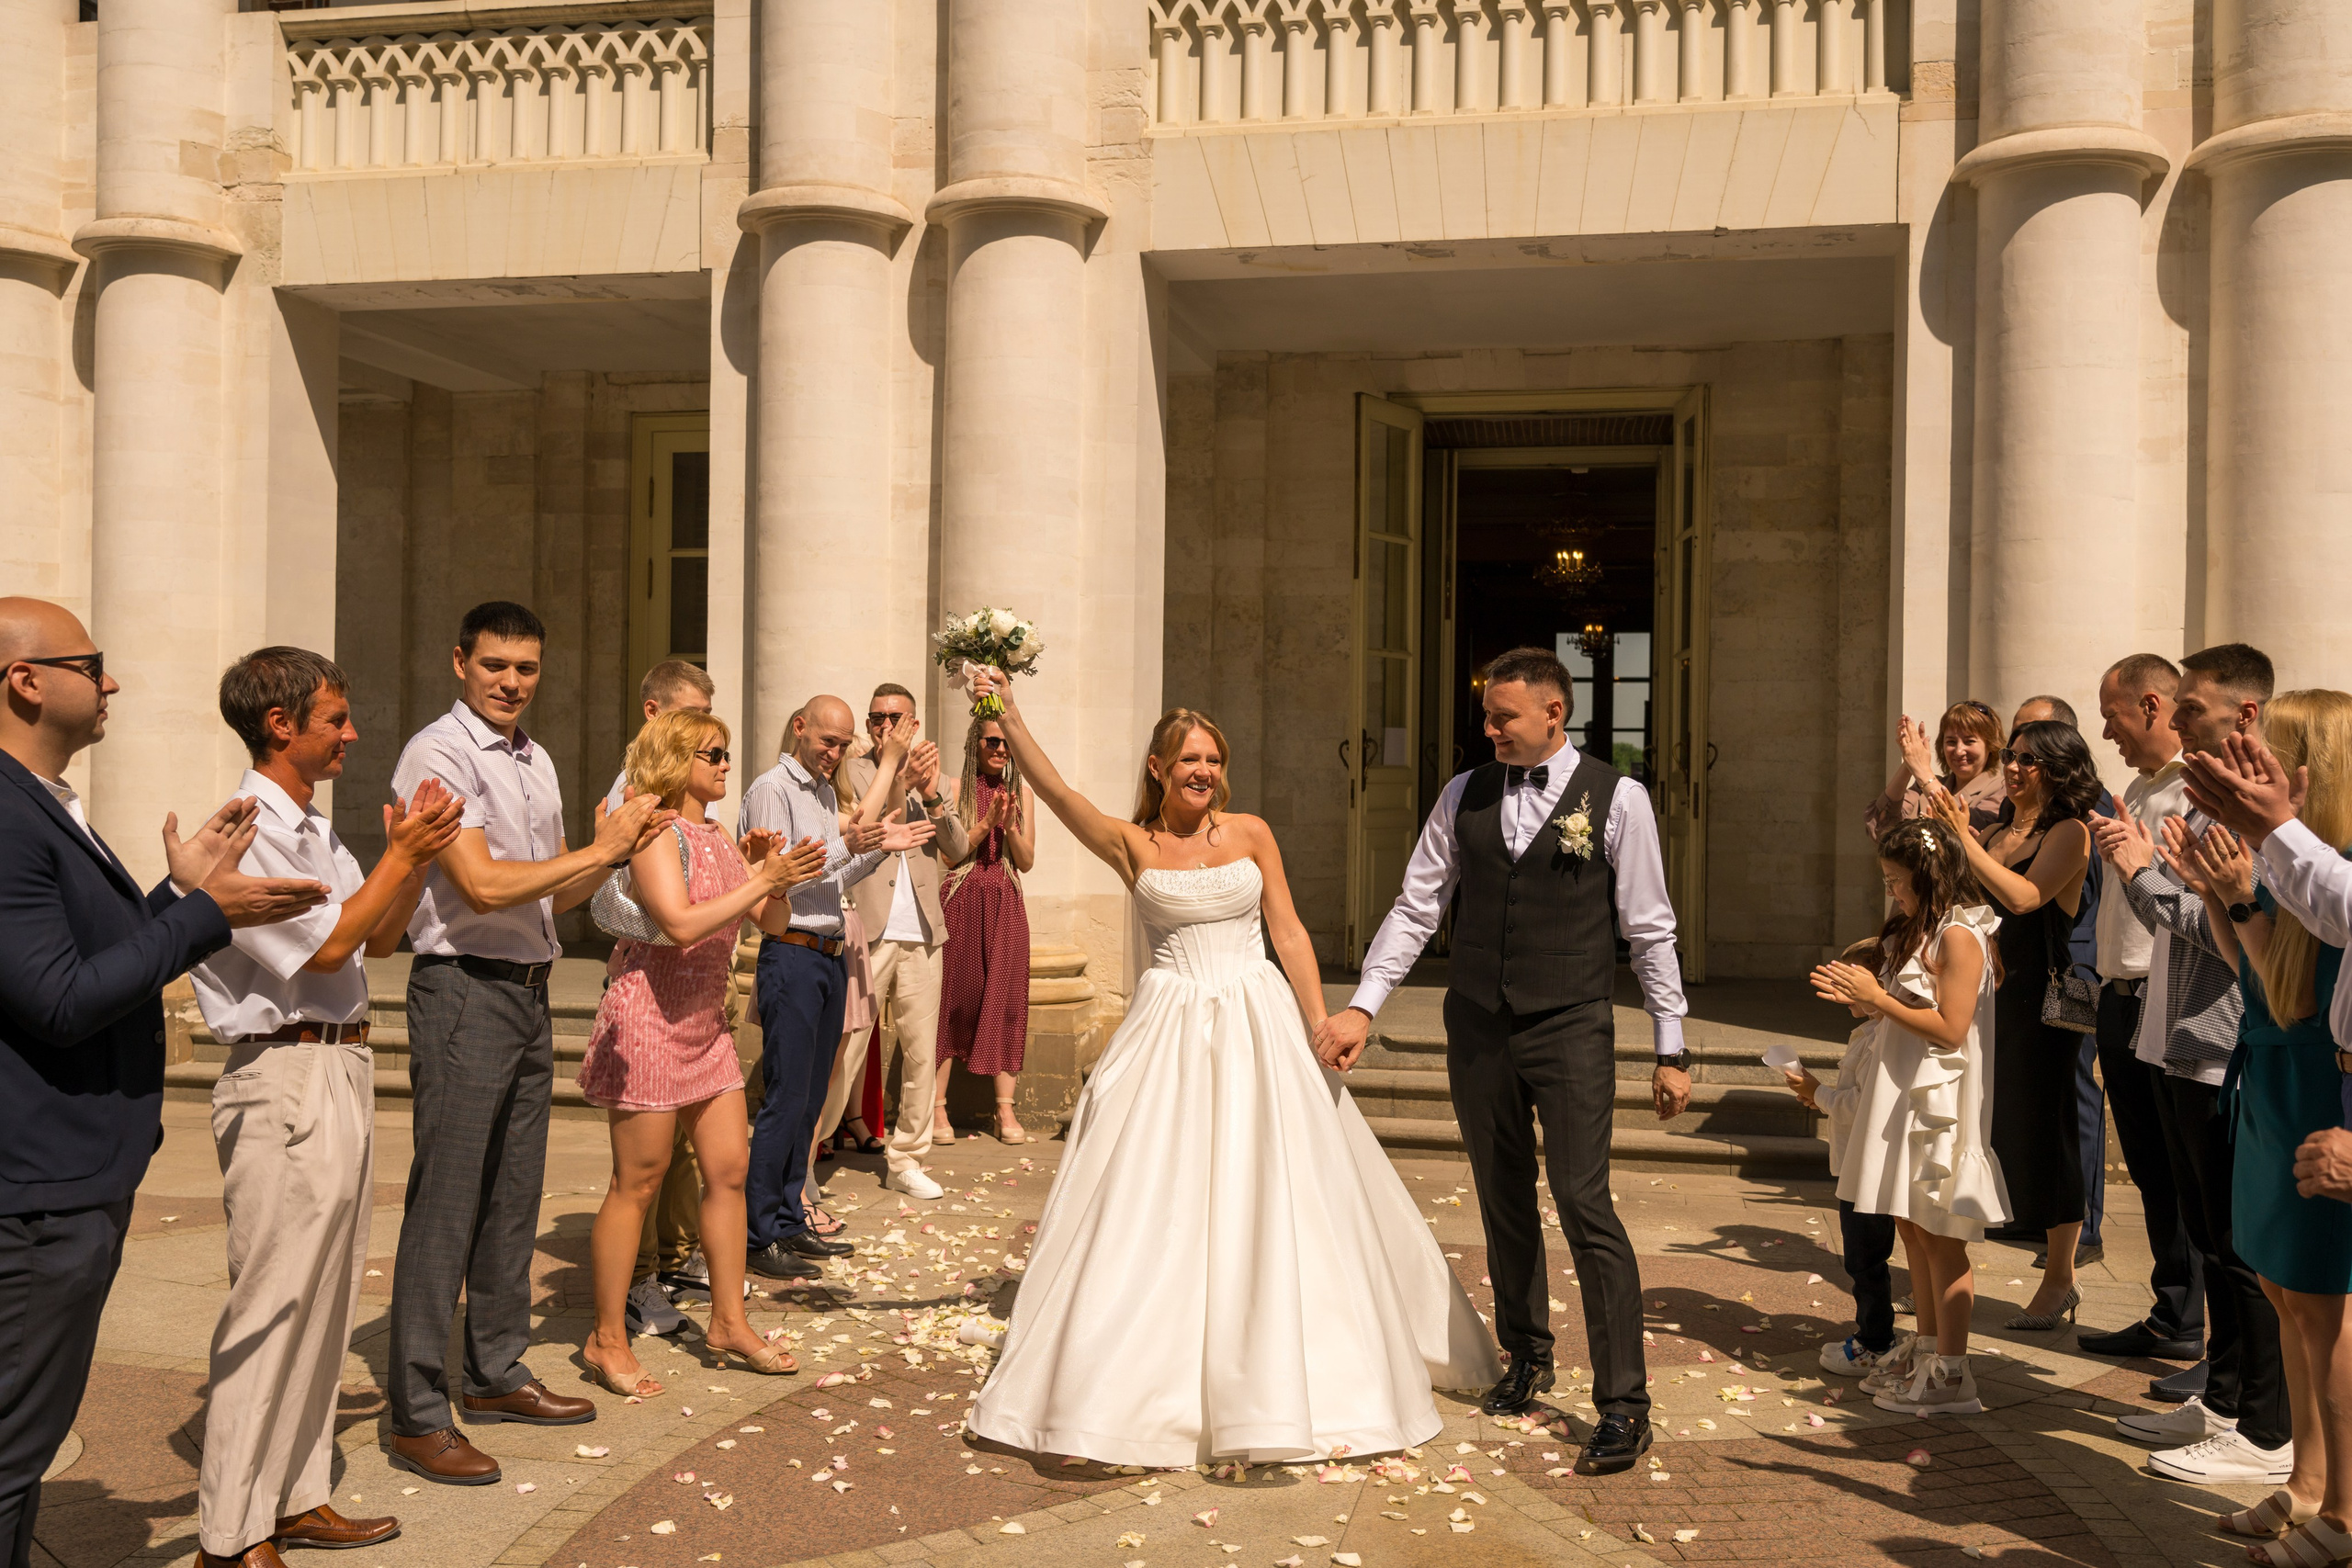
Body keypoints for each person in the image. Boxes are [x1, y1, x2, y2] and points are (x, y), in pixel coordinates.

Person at [958, 664, 1499, 1463]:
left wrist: (1323, 1022)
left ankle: (1298, 1362)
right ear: (1158, 767)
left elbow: (1287, 934)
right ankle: (1145, 1370)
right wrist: (1001, 705)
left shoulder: (1250, 833)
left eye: (1213, 758)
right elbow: (1057, 786)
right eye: (1189, 761)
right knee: (1158, 1196)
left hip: (1258, 1021)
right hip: (1170, 1029)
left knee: (1278, 1189)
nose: (1204, 771)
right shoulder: (1130, 842)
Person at [0, 598, 330, 1568]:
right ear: (26, 681)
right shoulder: (6, 813)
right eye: (91, 664)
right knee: (15, 1444)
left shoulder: (43, 802)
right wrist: (204, 916)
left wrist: (180, 894)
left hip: (72, 1176)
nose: (111, 683)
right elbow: (59, 1000)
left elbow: (70, 959)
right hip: (41, 1186)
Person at [1316, 645, 1690, 1475]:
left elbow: (1650, 927)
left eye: (1502, 716)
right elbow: (1417, 906)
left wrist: (1672, 1042)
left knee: (1584, 1200)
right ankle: (1527, 1353)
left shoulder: (1618, 797)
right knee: (1501, 1192)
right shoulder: (1464, 792)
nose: (1487, 729)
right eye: (1486, 714)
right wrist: (1363, 1004)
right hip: (1478, 1021)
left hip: (1572, 1023)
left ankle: (1625, 1404)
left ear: (1554, 713)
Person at [384, 602, 671, 1486]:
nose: (511, 682)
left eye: (527, 668)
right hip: (461, 987)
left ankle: (495, 1367)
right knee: (448, 1201)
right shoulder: (438, 752)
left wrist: (619, 856)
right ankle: (419, 1407)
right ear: (459, 661)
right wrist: (600, 846)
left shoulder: (537, 759)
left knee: (513, 1192)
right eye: (496, 665)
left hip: (529, 990)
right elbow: (479, 882)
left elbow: (553, 897)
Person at [189, 649, 466, 1568]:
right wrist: (397, 856)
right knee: (272, 1303)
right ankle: (229, 1536)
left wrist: (415, 862)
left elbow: (374, 940)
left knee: (328, 1296)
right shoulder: (247, 825)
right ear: (281, 725)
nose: (350, 735)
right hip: (281, 1071)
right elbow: (320, 950)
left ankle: (297, 1495)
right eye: (335, 719)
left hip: (340, 1062)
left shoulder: (313, 827)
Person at [575, 710, 827, 1398]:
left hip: (705, 1023)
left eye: (725, 752)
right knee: (640, 1181)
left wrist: (772, 878)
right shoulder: (655, 831)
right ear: (675, 756)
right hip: (650, 1019)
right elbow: (679, 924)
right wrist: (759, 876)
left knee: (728, 1168)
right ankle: (606, 1336)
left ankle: (728, 1319)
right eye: (711, 753)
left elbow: (772, 923)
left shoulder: (719, 834)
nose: (724, 763)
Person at [2092, 642, 2292, 1486]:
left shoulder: (2251, 813)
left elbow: (2226, 931)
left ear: (2245, 714)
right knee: (2212, 1240)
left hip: (2220, 1045)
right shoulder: (2207, 802)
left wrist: (2141, 870)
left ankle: (2263, 1429)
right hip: (2179, 1040)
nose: (2176, 721)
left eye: (2194, 709)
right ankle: (2220, 1401)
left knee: (2238, 1248)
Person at [2176, 692, 2352, 1565]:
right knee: (2285, 1291)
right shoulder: (2295, 865)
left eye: (2271, 752)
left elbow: (2294, 997)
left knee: (2322, 1304)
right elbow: (2254, 959)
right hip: (2272, 1076)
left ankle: (2339, 1506)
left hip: (2315, 1082)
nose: (2254, 767)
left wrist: (2242, 884)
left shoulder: (2335, 867)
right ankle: (2309, 1482)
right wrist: (2223, 889)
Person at [1801, 818, 2007, 1416]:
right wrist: (1866, 1001)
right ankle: (1927, 1346)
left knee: (1944, 1239)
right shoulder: (1922, 931)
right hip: (1906, 1090)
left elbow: (1952, 1027)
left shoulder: (1961, 936)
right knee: (1913, 1231)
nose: (1893, 891)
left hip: (1940, 1102)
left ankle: (1954, 1369)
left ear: (1930, 875)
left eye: (1898, 880)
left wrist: (1880, 999)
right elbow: (1901, 1010)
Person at [736, 697, 924, 1281]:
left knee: (812, 1098)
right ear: (800, 728)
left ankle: (791, 1217)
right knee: (786, 1097)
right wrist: (858, 841)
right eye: (827, 741)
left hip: (827, 953)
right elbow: (792, 870)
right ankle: (758, 1229)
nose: (834, 753)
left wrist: (871, 853)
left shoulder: (822, 794)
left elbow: (833, 876)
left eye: (843, 745)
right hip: (790, 952)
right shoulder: (773, 789)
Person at [1930, 718, 2098, 1327]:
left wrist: (1965, 839)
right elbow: (1966, 895)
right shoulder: (1997, 828)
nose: (2014, 767)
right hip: (1983, 995)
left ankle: (2059, 1278)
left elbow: (2026, 897)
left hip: (2040, 1002)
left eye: (2029, 759)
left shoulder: (2070, 832)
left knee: (2049, 1134)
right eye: (2012, 756)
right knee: (1986, 1124)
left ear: (2059, 768)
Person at [2075, 655, 2205, 1367]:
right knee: (2153, 1168)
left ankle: (2195, 1320)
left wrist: (2146, 861)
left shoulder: (2195, 792)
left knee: (2184, 1169)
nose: (2107, 729)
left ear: (2152, 706)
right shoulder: (2135, 787)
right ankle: (2171, 1306)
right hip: (2119, 995)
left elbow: (2193, 902)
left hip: (2168, 998)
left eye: (2113, 713)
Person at [607, 660, 718, 1340]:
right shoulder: (638, 799)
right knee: (641, 1167)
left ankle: (675, 1262)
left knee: (698, 1156)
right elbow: (628, 913)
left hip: (702, 991)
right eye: (694, 718)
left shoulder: (693, 803)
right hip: (652, 992)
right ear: (656, 716)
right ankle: (634, 1286)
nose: (710, 739)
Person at [840, 686, 967, 1197]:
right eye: (875, 717)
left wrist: (933, 793)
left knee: (920, 1054)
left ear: (914, 722)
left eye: (895, 717)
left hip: (923, 934)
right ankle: (808, 1150)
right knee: (847, 1050)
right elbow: (869, 826)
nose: (884, 725)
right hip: (870, 930)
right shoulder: (852, 774)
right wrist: (897, 777)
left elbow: (957, 849)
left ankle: (907, 1159)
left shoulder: (931, 781)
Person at [937, 716, 1035, 1145]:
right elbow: (947, 856)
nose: (999, 749)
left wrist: (1010, 823)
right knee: (953, 999)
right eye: (992, 741)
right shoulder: (955, 790)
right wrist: (985, 822)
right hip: (962, 897)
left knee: (1007, 998)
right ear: (975, 743)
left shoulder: (1022, 794)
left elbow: (1028, 861)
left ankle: (1004, 1111)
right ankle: (937, 1109)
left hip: (1005, 901)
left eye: (1006, 743)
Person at [1864, 701, 2007, 840]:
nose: (1959, 751)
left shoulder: (2003, 788)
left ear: (1990, 745)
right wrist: (1910, 761)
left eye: (1969, 741)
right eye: (1951, 742)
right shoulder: (1925, 786)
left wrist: (1922, 770)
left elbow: (1964, 826)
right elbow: (1879, 824)